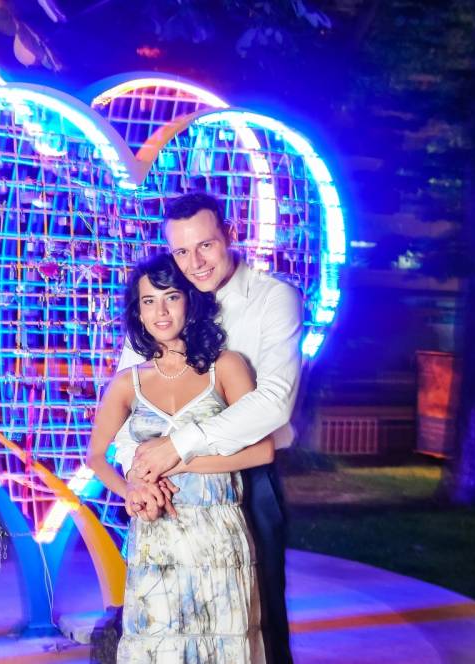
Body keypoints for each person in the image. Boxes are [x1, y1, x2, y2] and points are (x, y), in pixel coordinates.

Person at [115, 193, 303, 664]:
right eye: (181, 251)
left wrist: (179, 446)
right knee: (169, 624)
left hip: (245, 478)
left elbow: (273, 402)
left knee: (256, 621)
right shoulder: (164, 301)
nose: (194, 263)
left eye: (206, 245)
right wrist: (136, 472)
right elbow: (126, 400)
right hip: (164, 483)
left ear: (230, 235)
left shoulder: (272, 298)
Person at [87, 252, 275, 663]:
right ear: (137, 312)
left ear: (190, 300)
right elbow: (96, 457)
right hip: (156, 538)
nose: (161, 311)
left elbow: (262, 449)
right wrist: (131, 488)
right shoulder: (127, 383)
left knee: (224, 648)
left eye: (171, 297)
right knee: (159, 648)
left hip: (217, 533)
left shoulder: (227, 367)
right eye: (149, 301)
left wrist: (179, 460)